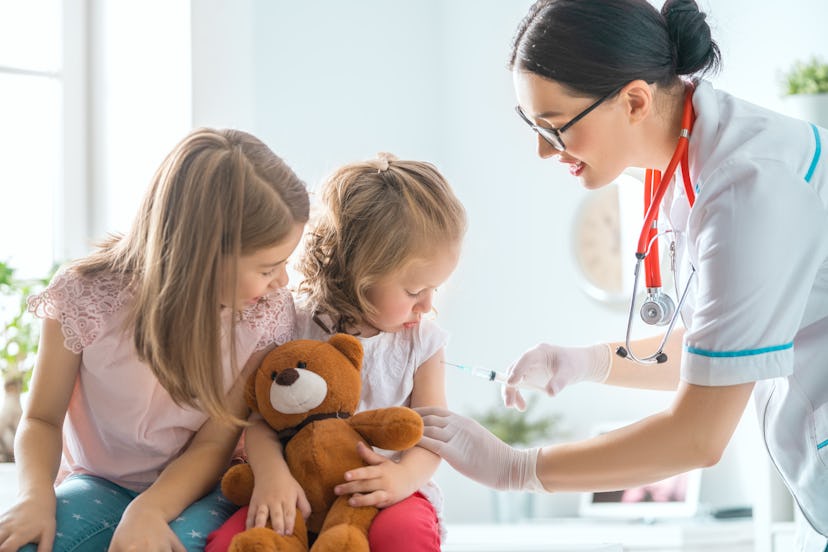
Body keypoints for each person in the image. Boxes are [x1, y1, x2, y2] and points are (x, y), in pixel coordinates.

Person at [416, 0, 828, 550]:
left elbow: (698, 436)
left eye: (555, 126)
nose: (543, 150)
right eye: (532, 126)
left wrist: (518, 469)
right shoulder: (685, 165)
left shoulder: (749, 185)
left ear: (634, 100)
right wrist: (587, 362)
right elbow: (722, 347)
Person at [0, 128, 310, 552]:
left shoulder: (262, 316)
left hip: (201, 486)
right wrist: (34, 497)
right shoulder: (84, 295)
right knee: (25, 542)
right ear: (201, 257)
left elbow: (214, 443)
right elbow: (41, 419)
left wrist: (148, 511)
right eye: (269, 266)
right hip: (98, 482)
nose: (283, 281)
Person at [205, 153, 467, 551]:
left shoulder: (423, 344)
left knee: (406, 536)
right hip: (295, 484)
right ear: (359, 274)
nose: (427, 304)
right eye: (414, 291)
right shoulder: (295, 322)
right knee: (235, 539)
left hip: (384, 491)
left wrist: (402, 479)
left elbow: (432, 437)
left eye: (435, 289)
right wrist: (273, 475)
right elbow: (259, 421)